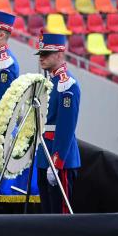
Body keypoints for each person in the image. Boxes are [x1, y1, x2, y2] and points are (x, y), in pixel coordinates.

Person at [35, 33, 81, 214]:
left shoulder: (66, 85)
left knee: (59, 215)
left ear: (60, 54)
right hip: (44, 154)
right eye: (40, 53)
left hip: (58, 157)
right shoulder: (51, 82)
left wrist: (56, 162)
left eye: (46, 53)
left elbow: (66, 128)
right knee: (47, 213)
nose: (41, 57)